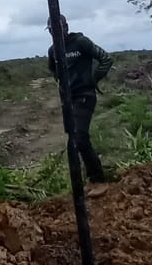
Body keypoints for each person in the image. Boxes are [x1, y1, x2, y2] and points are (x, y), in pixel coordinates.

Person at [47, 14, 115, 183]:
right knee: (74, 139)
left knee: (80, 137)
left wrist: (92, 79)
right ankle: (82, 179)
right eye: (50, 30)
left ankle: (97, 178)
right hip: (68, 101)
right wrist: (63, 83)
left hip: (85, 96)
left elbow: (106, 59)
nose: (54, 32)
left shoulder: (80, 42)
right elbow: (54, 71)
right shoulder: (53, 50)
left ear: (65, 27)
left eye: (57, 28)